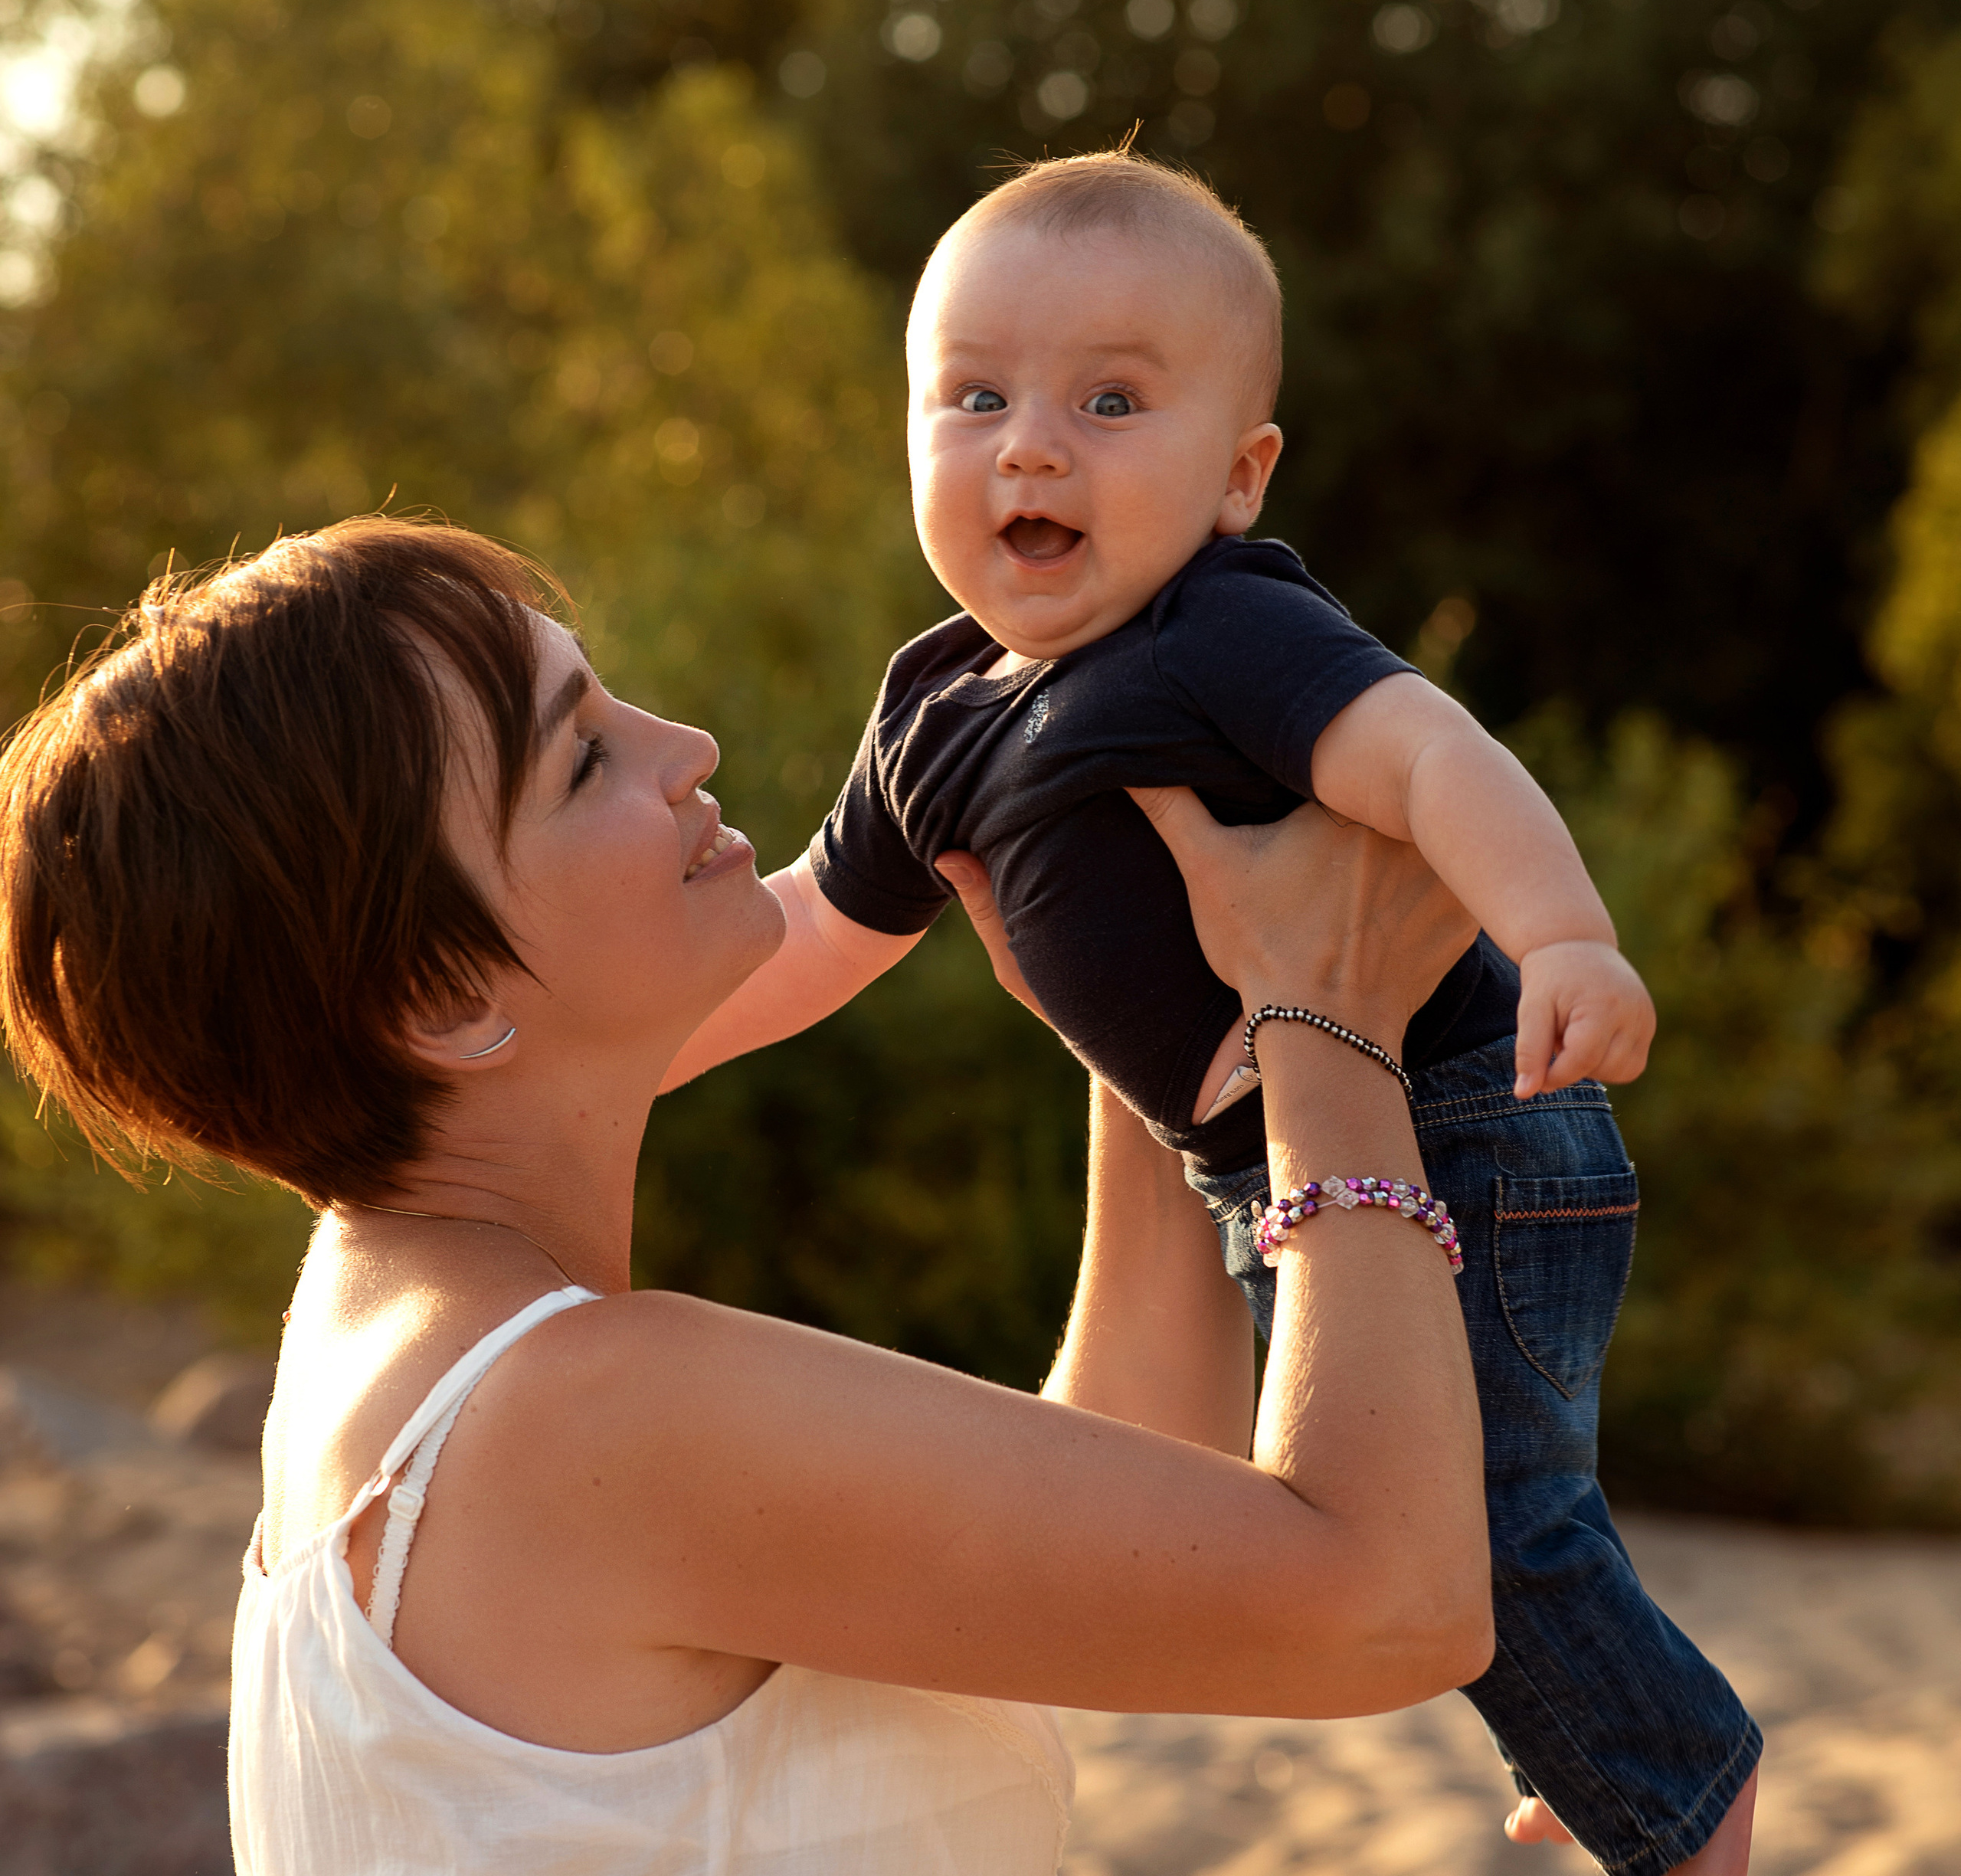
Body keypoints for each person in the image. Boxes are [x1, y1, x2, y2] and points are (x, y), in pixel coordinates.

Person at [0, 518, 1491, 1874]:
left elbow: (1128, 1506)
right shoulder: (569, 1410)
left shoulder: (389, 1331)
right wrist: (1327, 1018)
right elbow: (1386, 1599)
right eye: (583, 759)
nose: (686, 744)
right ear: (444, 995)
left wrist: (1156, 1020)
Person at [664, 152, 1762, 1874]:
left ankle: (1678, 1790)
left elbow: (1425, 752)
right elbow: (813, 924)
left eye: (1110, 400)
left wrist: (1561, 933)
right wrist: (637, 1054)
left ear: (1236, 472)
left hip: (1458, 1117)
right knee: (1458, 1502)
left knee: (1474, 1511)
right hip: (1267, 1166)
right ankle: (1601, 1724)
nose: (1028, 443)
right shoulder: (932, 702)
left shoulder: (1219, 628)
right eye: (972, 394)